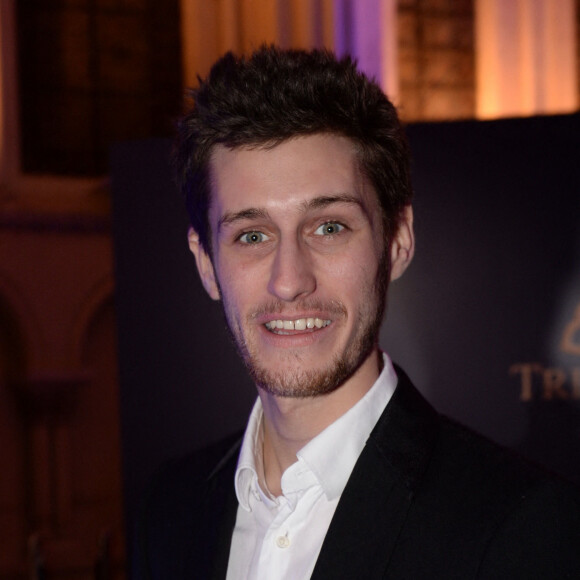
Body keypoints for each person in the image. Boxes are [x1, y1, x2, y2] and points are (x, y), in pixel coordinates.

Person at [136, 46, 580, 579]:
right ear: (206, 263)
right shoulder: (170, 508)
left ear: (397, 241)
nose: (289, 280)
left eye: (328, 227)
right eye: (252, 235)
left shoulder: (519, 525)